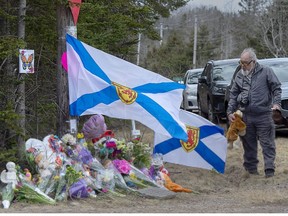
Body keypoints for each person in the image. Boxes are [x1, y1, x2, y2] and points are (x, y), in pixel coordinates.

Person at [226, 48, 282, 178]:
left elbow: (277, 88)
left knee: (267, 143)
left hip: (264, 114)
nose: (243, 65)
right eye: (241, 62)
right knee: (248, 144)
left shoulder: (266, 71)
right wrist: (230, 112)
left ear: (254, 61)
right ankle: (251, 171)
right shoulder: (239, 75)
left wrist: (276, 104)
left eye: (245, 62)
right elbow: (233, 94)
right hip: (246, 115)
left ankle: (269, 170)